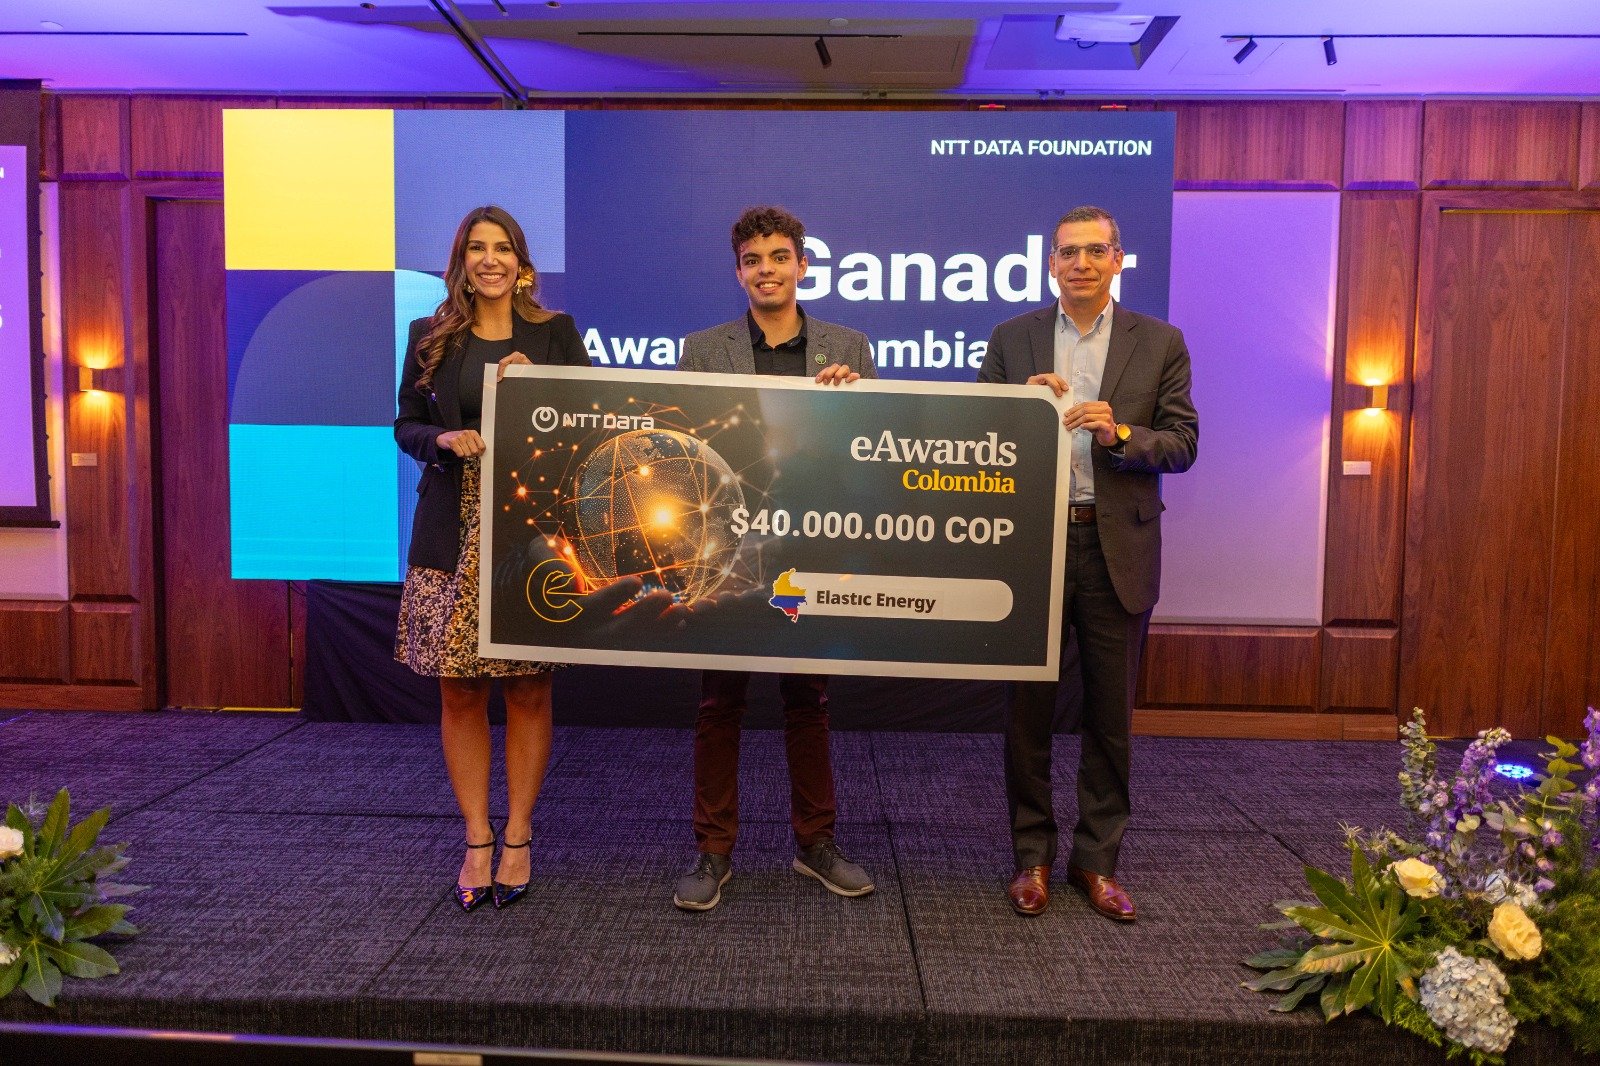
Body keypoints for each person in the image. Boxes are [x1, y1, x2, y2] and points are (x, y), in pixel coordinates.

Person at [977, 205, 1198, 921]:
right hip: (1032, 548)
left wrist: (1120, 432)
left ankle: (1097, 863)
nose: (1081, 263)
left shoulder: (1159, 341)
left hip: (1116, 551)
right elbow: (975, 437)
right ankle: (1032, 858)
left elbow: (1183, 443)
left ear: (1117, 260)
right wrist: (1016, 411)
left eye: (1095, 251)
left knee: (1110, 718)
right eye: (1068, 252)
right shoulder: (1012, 338)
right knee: (1028, 716)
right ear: (1050, 263)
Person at [671, 206, 878, 912]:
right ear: (739, 272)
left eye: (779, 257)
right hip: (728, 554)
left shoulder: (849, 347)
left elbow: (866, 456)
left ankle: (816, 844)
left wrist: (852, 406)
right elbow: (687, 455)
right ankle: (713, 851)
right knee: (718, 703)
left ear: (803, 265)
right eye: (753, 260)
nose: (767, 270)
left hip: (809, 547)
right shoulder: (703, 350)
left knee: (808, 700)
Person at [394, 205, 590, 912]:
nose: (489, 259)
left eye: (502, 247)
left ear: (521, 262)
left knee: (530, 688)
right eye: (476, 248)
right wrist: (442, 441)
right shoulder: (430, 336)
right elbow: (406, 424)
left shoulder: (554, 333)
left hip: (531, 533)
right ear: (462, 261)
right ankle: (476, 836)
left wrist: (540, 387)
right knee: (459, 690)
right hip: (450, 527)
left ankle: (519, 834)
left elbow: (589, 420)